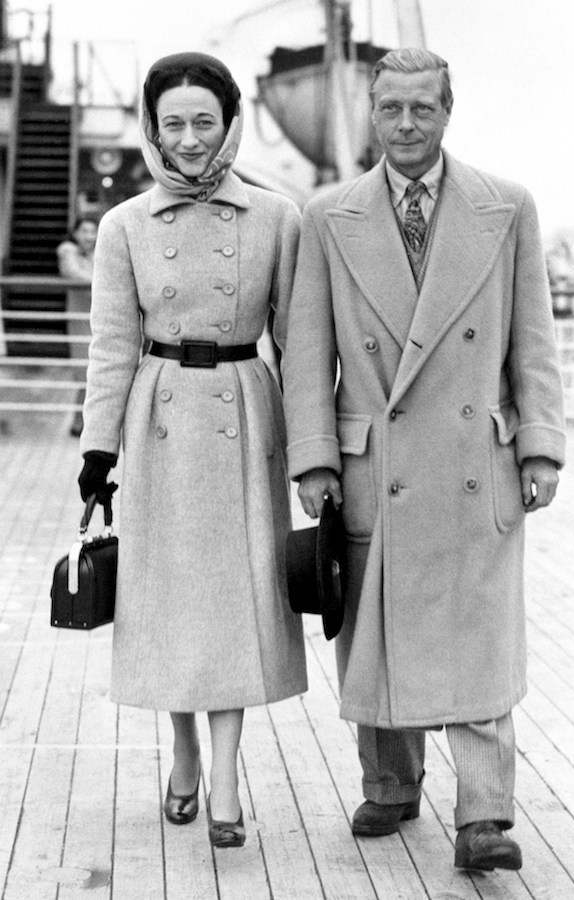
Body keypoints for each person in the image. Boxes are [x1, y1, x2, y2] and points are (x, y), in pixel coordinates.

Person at [282, 48, 566, 872]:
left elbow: (534, 344)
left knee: (478, 636)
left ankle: (485, 815)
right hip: (376, 463)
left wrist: (542, 445)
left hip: (478, 458)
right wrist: (314, 460)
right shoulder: (328, 216)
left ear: (449, 111)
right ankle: (391, 783)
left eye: (423, 110)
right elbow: (307, 355)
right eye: (392, 109)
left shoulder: (506, 207)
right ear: (371, 111)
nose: (407, 125)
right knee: (377, 626)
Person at [77, 52, 307, 848]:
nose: (189, 138)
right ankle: (181, 752)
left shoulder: (279, 218)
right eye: (172, 122)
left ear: (230, 124)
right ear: (152, 128)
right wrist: (97, 453)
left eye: (203, 121)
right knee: (170, 598)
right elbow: (111, 347)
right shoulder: (125, 225)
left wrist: (312, 452)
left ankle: (229, 775)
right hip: (160, 418)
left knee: (234, 600)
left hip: (245, 415)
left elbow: (301, 347)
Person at [56, 217, 98, 436]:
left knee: (97, 373)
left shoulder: (98, 253)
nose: (89, 236)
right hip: (80, 322)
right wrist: (102, 281)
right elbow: (72, 272)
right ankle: (78, 422)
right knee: (85, 372)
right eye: (85, 231)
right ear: (75, 233)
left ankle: (83, 423)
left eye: (93, 231)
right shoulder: (68, 252)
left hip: (100, 321)